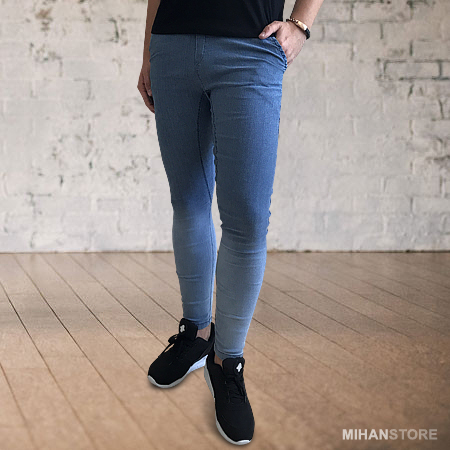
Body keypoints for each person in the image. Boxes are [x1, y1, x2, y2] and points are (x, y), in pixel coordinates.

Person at [138, 0, 324, 445]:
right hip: (172, 46)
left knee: (247, 220)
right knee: (188, 201)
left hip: (250, 49)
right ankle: (196, 334)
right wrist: (148, 52)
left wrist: (300, 25)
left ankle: (227, 363)